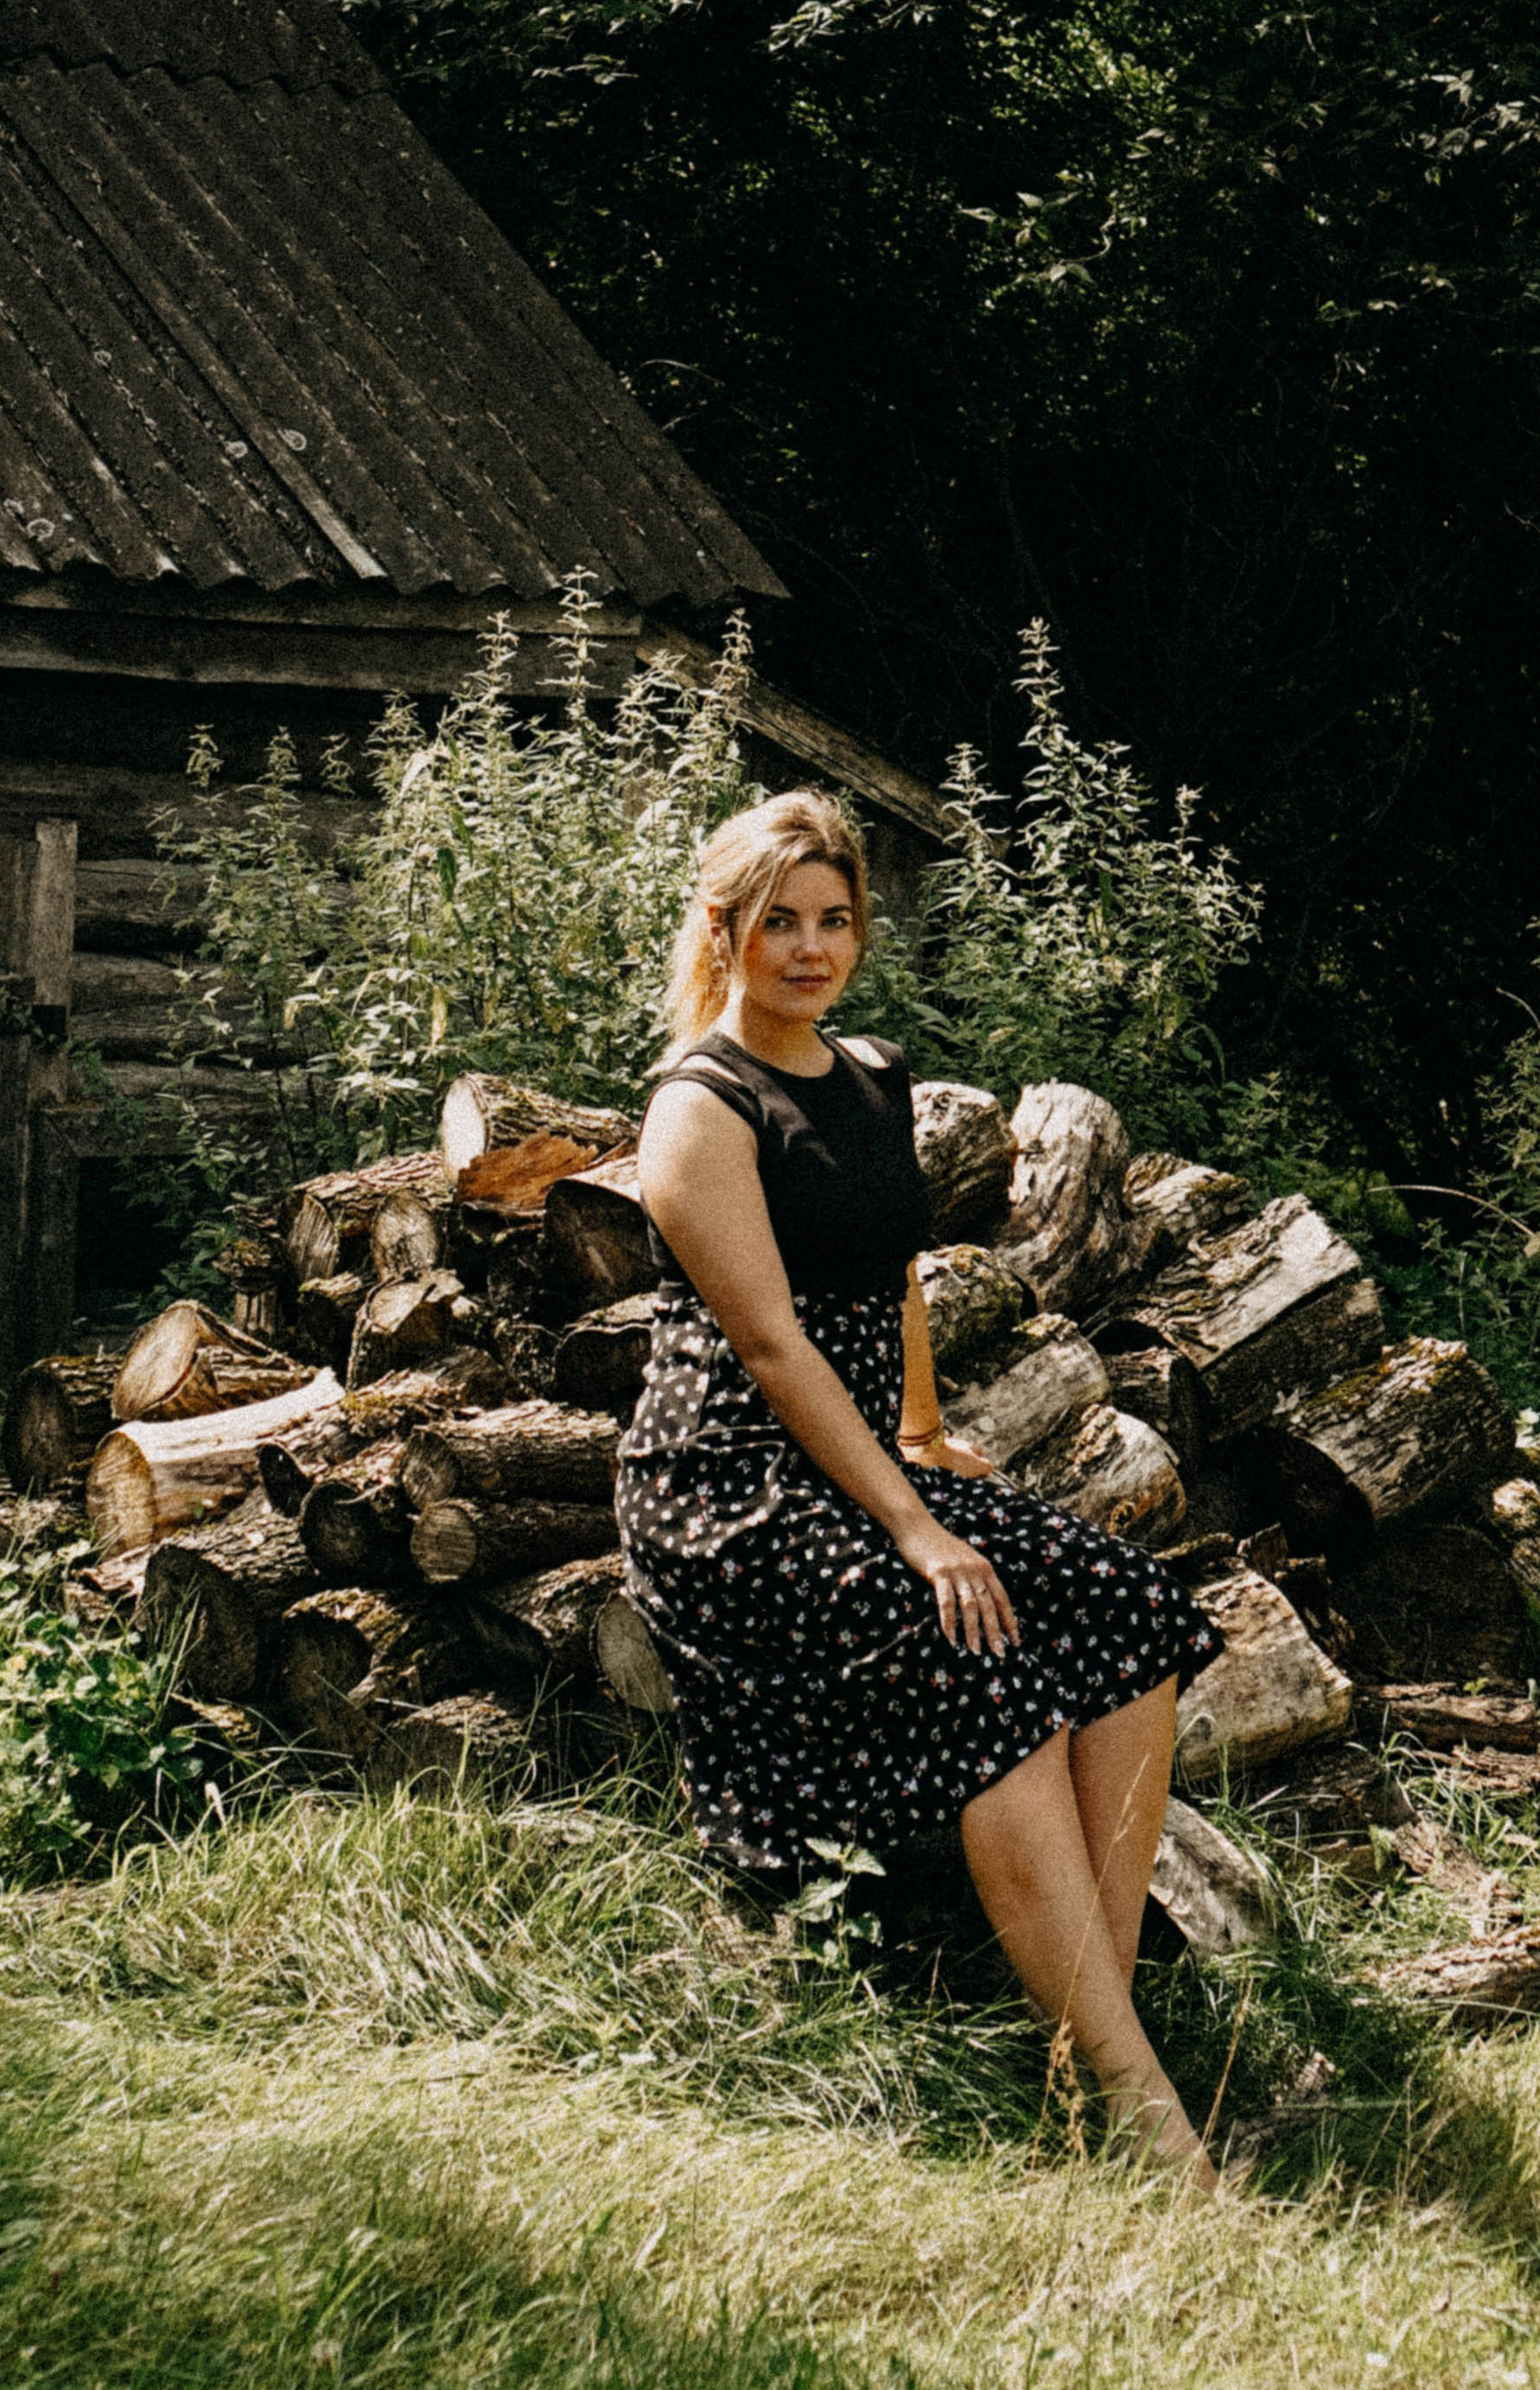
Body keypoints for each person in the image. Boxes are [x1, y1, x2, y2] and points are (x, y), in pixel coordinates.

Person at [617, 788, 1228, 2191]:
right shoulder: (697, 1113)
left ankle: (1093, 2046)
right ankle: (1149, 2132)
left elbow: (889, 1273)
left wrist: (924, 1428)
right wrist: (915, 1526)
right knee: (981, 1659)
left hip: (861, 1455)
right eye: (781, 922)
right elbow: (767, 1346)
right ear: (726, 931)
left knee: (1132, 1623)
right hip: (729, 1489)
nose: (812, 947)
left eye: (835, 920)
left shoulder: (871, 1073)